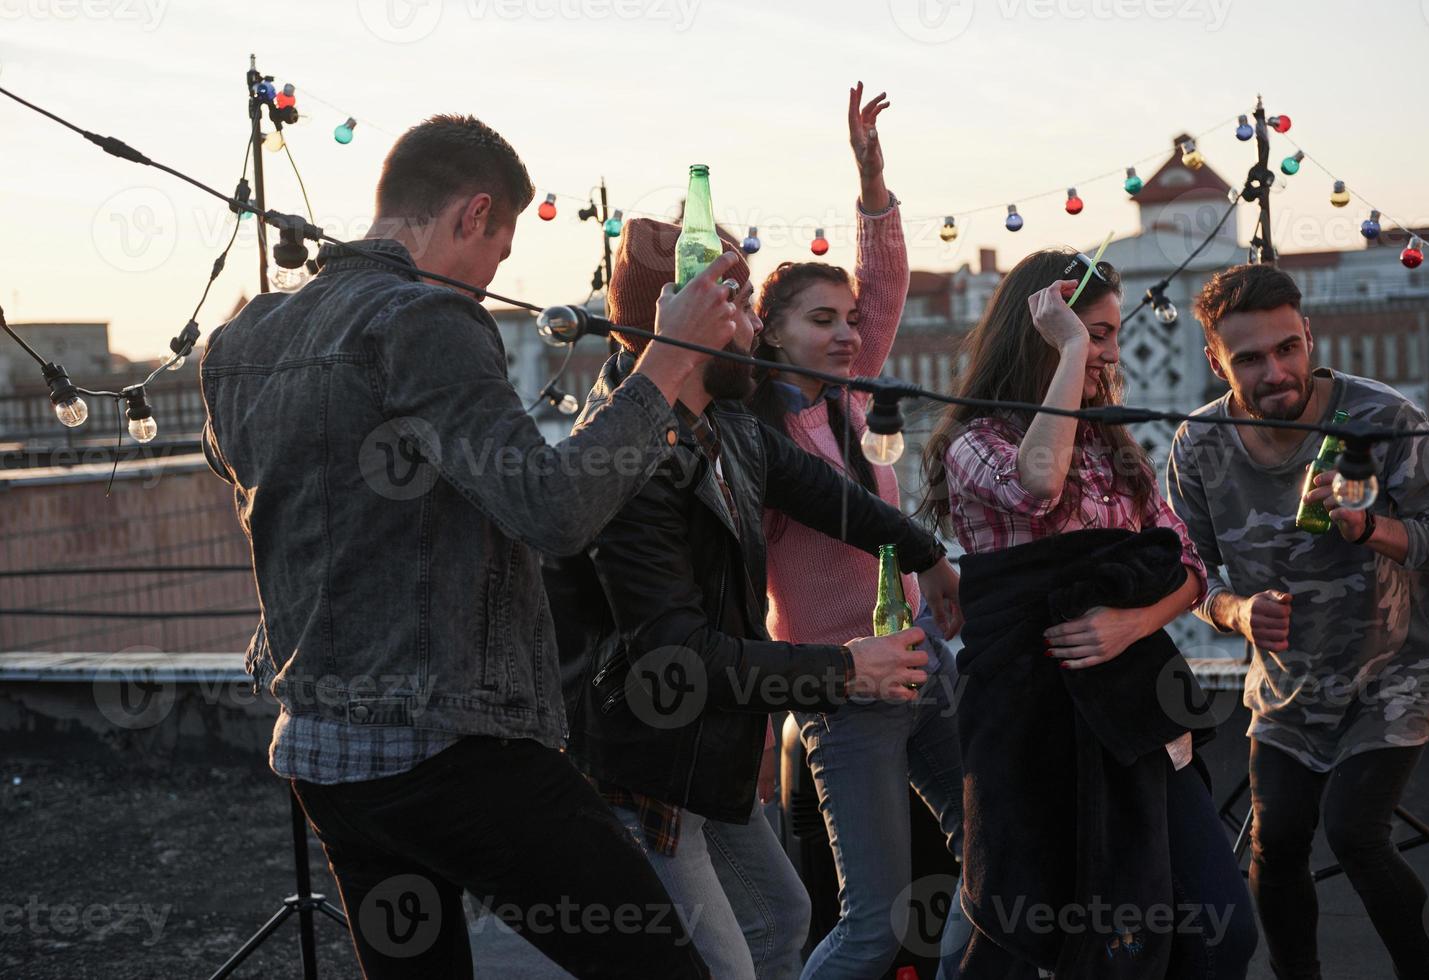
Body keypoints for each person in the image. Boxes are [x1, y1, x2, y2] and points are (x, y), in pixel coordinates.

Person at [199, 113, 749, 979]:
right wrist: (666, 361)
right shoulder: (424, 320)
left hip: (323, 759)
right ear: (473, 212)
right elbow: (556, 510)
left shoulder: (244, 338)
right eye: (498, 252)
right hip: (449, 750)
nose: (495, 282)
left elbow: (272, 495)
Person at [543, 213, 957, 980]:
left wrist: (929, 555)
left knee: (781, 921)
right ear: (678, 325)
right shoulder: (631, 458)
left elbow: (836, 500)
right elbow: (676, 655)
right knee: (730, 964)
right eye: (731, 308)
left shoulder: (727, 423)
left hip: (705, 745)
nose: (752, 325)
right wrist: (845, 671)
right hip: (646, 766)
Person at [918, 249, 1257, 979]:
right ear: (1037, 331)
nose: (1106, 351)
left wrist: (1130, 624)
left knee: (1218, 926)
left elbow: (1190, 565)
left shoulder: (1114, 447)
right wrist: (1069, 350)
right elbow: (1037, 486)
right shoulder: (976, 442)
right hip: (1034, 732)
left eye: (1105, 336)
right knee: (1043, 936)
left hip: (1132, 719)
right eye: (1090, 334)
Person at [1166, 263, 1429, 980]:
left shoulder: (1381, 418)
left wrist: (1373, 532)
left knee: (1355, 833)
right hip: (1288, 687)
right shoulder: (1197, 444)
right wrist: (1235, 612)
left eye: (1286, 348)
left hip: (1394, 672)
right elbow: (1187, 574)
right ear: (1214, 361)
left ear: (1308, 335)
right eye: (1248, 358)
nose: (1274, 371)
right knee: (1276, 844)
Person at [746, 81, 967, 979]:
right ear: (768, 333)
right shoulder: (755, 433)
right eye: (819, 320)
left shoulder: (844, 398)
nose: (846, 335)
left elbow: (886, 289)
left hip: (923, 660)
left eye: (847, 322)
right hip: (844, 689)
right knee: (871, 927)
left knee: (998, 865)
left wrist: (871, 181)